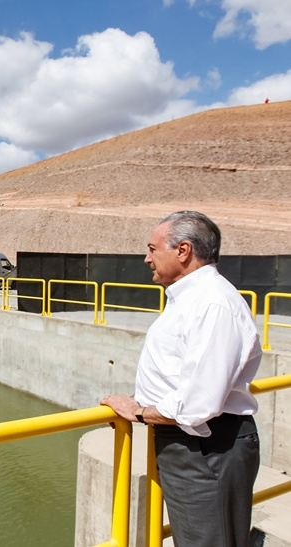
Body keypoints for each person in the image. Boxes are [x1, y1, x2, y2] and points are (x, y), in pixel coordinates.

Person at [101, 211, 262, 547]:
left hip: (205, 446)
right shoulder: (192, 299)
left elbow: (198, 402)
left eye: (152, 249)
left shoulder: (212, 304)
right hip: (196, 443)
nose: (147, 258)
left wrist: (140, 412)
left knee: (207, 541)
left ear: (183, 250)